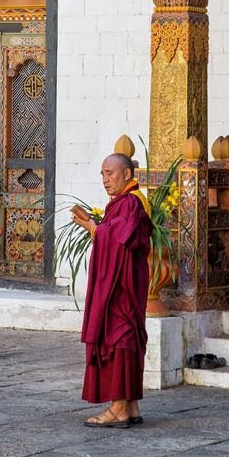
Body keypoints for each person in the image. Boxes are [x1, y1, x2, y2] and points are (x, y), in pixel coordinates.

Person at [72, 153, 152, 428]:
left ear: (127, 175)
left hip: (122, 285)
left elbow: (119, 240)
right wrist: (96, 228)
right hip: (125, 281)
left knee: (120, 338)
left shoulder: (129, 203)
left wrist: (93, 228)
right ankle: (130, 405)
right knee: (126, 340)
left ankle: (118, 408)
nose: (106, 180)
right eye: (102, 174)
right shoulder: (122, 203)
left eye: (111, 173)